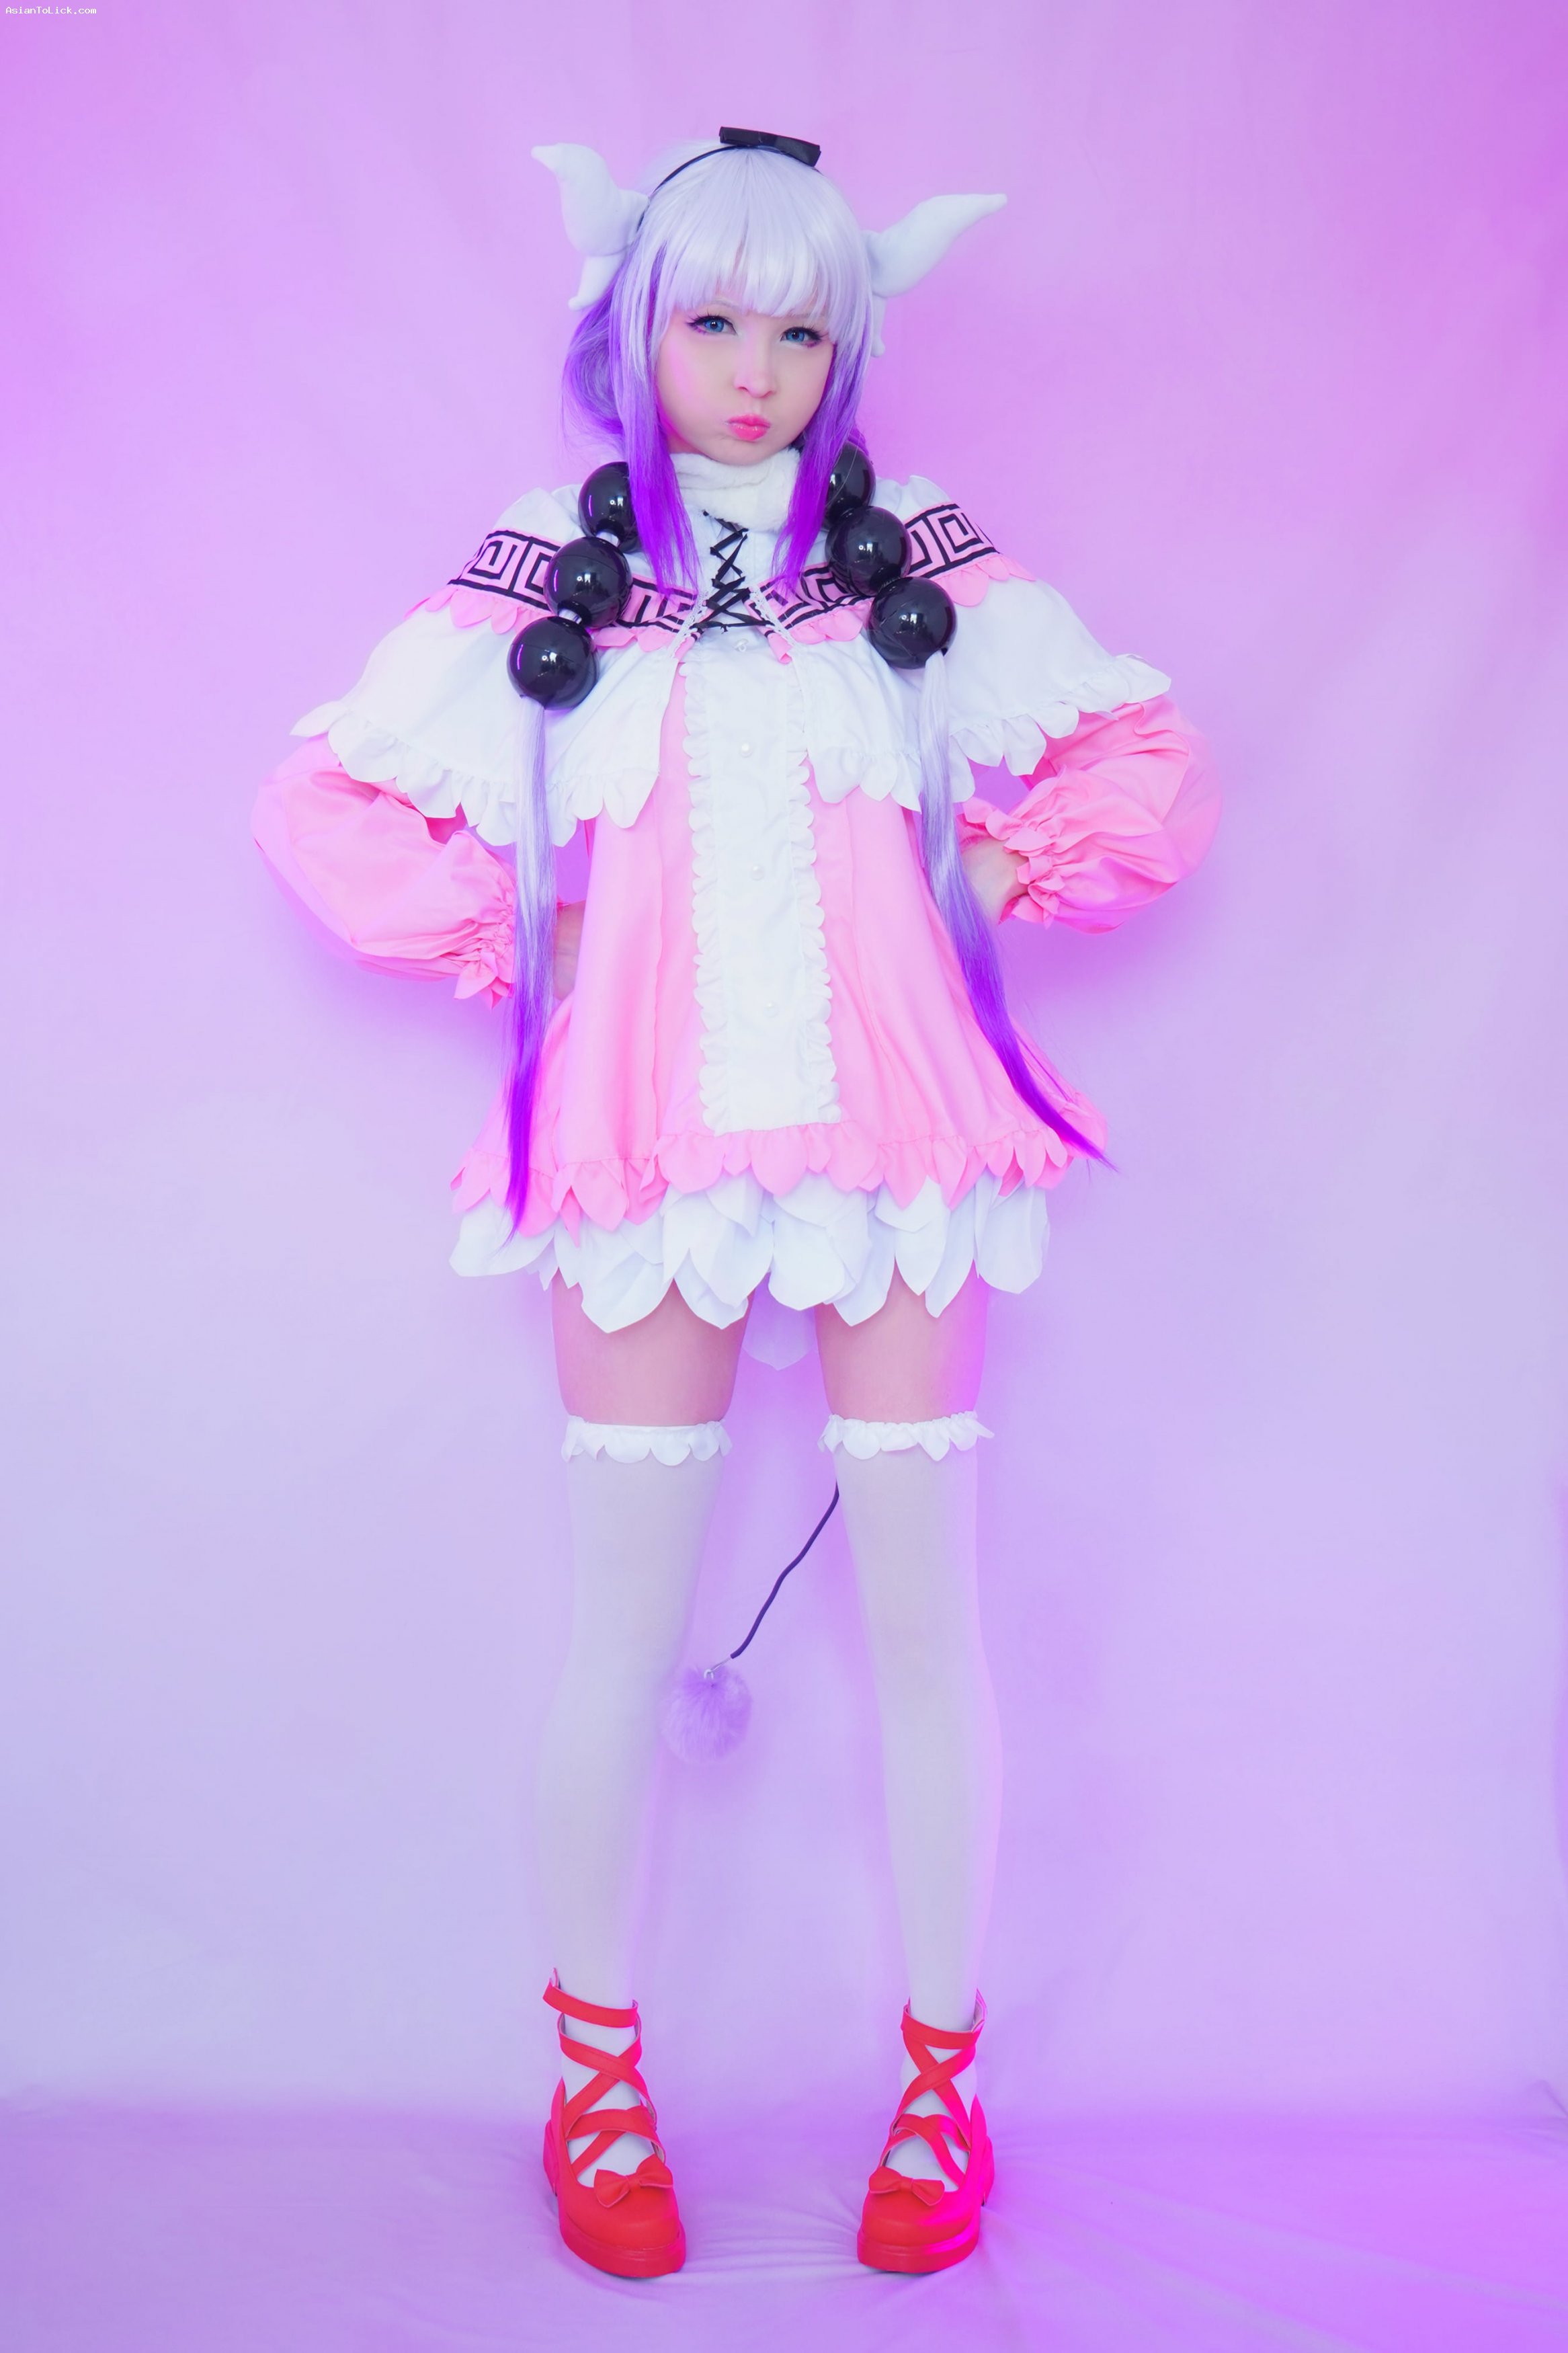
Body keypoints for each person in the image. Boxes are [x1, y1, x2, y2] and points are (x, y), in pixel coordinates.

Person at [254, 127, 1218, 2281]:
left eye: (801, 328)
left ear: (847, 342)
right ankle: (593, 2078)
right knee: (617, 1628)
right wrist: (534, 936)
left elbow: (1146, 760)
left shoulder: (917, 552)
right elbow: (324, 805)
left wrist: (997, 869)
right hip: (643, 1143)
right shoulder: (549, 562)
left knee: (928, 1626)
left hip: (900, 1141)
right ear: (635, 327)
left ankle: (943, 2085)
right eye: (712, 321)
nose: (757, 370)